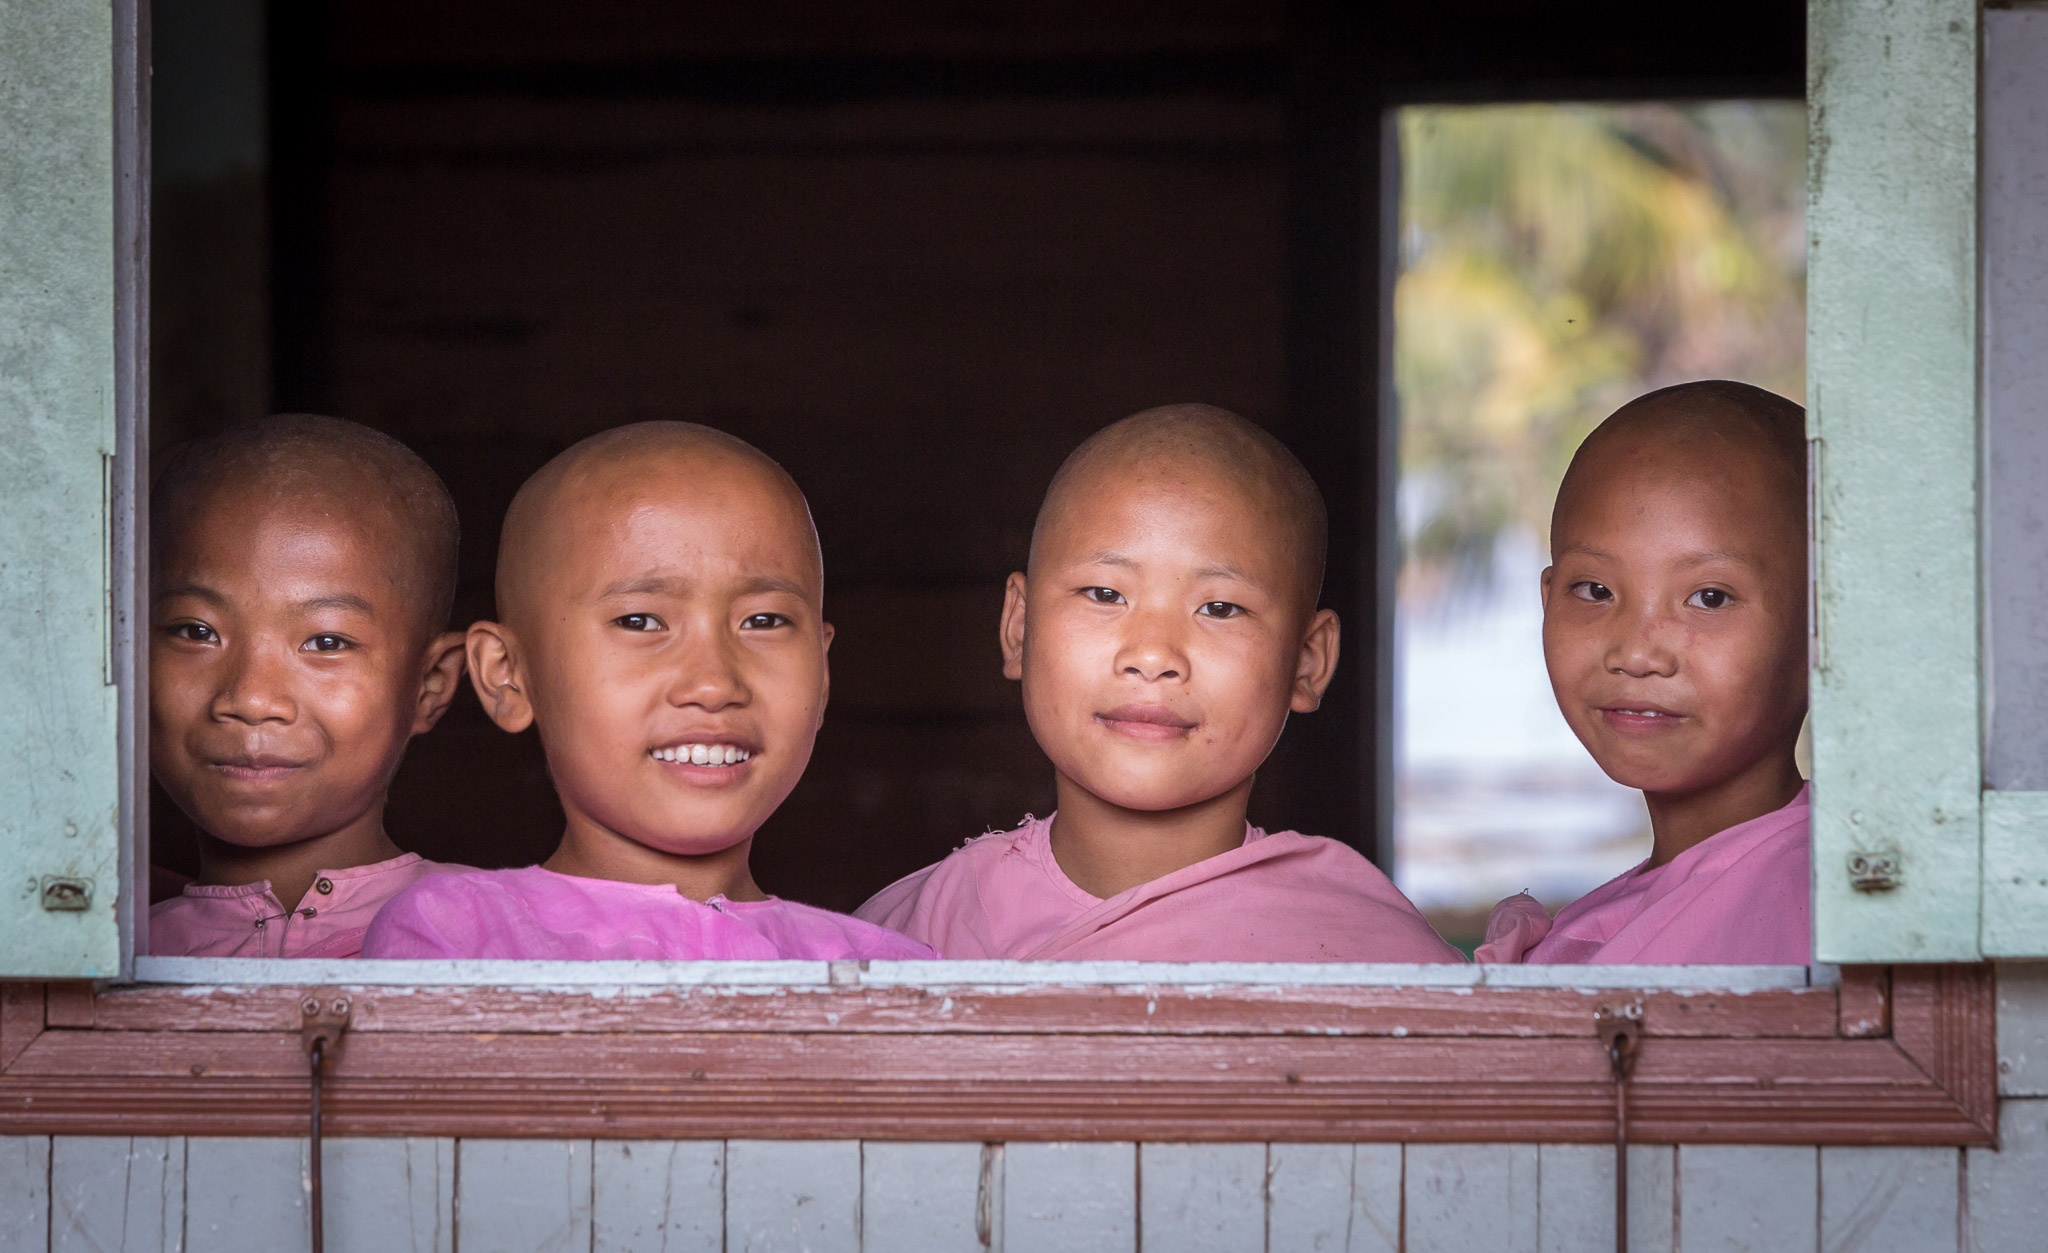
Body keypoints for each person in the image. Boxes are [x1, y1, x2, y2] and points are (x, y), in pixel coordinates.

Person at [857, 404, 1461, 961]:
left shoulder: (1369, 953)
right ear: (1019, 627)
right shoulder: (909, 934)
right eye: (1103, 593)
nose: (1152, 654)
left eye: (1220, 608)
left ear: (1307, 661)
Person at [362, 422, 934, 960]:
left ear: (823, 673)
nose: (713, 684)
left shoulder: (893, 971)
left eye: (764, 622)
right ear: (506, 673)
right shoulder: (457, 937)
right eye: (640, 621)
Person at [1476, 381, 1811, 965]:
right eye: (1596, 590)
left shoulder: (1819, 911)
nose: (1635, 653)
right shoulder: (1606, 917)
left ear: (1824, 626)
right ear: (1547, 598)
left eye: (1708, 598)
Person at [149, 415, 471, 957]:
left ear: (430, 685)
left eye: (326, 643)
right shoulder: (90, 951)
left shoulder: (493, 935)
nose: (251, 699)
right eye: (196, 631)